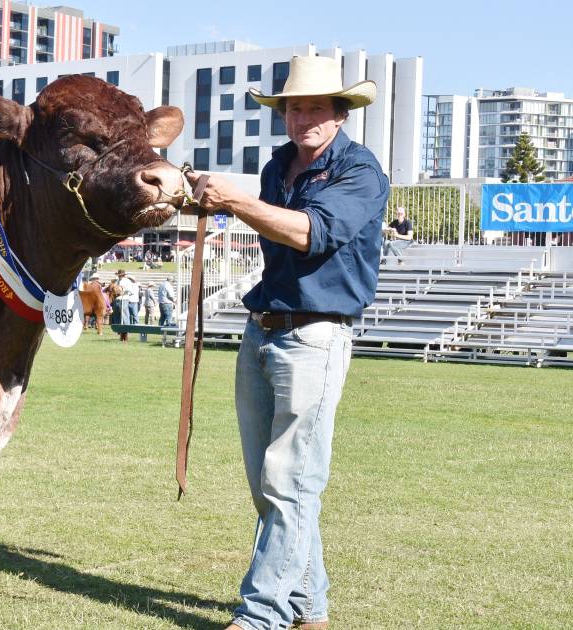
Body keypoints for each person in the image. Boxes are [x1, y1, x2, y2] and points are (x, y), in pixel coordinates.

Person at [184, 55, 389, 630]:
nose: (303, 119)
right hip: (264, 330)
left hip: (315, 335)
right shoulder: (278, 168)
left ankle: (261, 616)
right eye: (294, 107)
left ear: (341, 113)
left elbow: (311, 233)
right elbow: (271, 218)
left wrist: (236, 201)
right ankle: (310, 608)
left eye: (315, 107)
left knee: (290, 483)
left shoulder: (361, 172)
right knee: (273, 485)